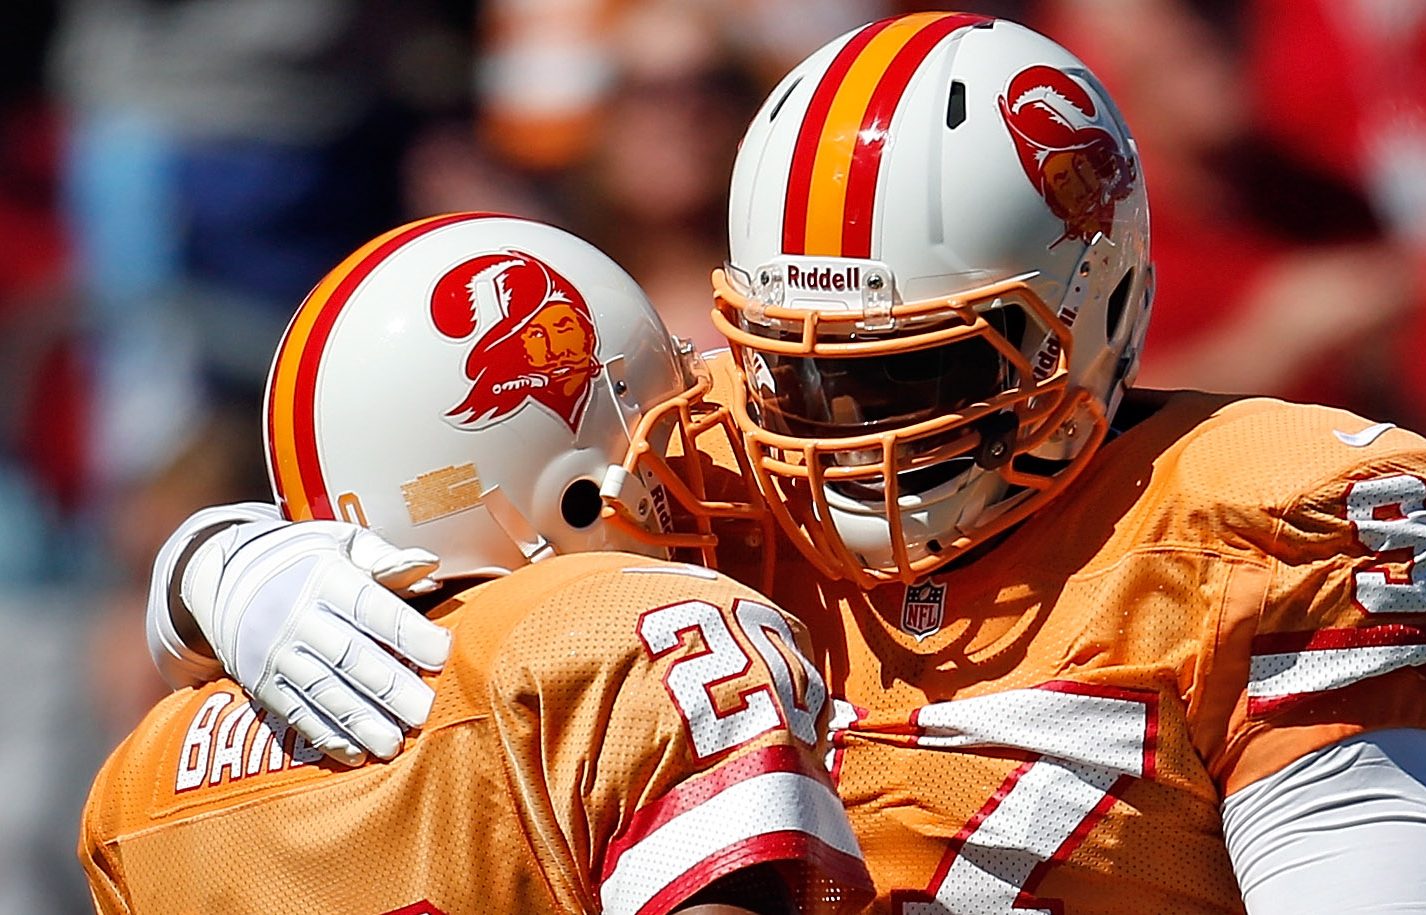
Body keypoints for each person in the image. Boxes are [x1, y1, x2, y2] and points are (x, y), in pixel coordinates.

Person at [141, 14, 1426, 912]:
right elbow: (419, 568)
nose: (849, 431)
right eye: (800, 367)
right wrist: (228, 564)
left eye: (910, 367)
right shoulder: (711, 463)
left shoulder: (1251, 525)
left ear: (1098, 308)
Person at [80, 213, 872, 914]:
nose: (690, 468)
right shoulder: (639, 646)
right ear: (563, 492)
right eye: (658, 442)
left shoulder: (138, 780)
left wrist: (195, 555)